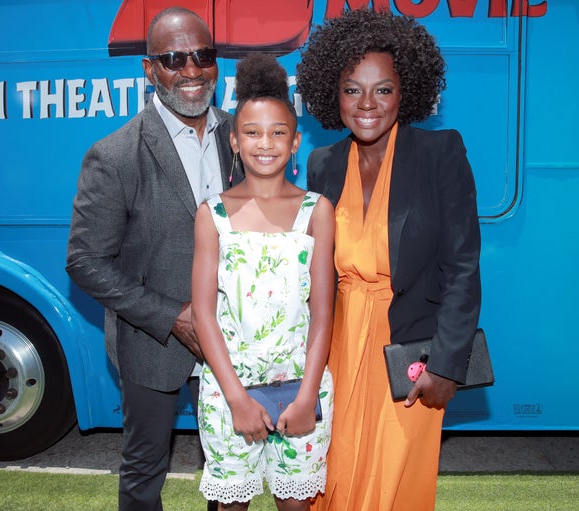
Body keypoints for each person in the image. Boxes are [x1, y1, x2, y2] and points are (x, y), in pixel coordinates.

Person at [296, 9, 481, 511]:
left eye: (384, 89)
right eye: (353, 89)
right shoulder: (322, 164)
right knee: (330, 473)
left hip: (411, 355)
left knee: (394, 482)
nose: (368, 104)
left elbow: (462, 267)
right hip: (336, 349)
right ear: (333, 95)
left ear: (407, 91)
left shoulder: (440, 153)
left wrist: (446, 365)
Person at [65, 7, 243, 511]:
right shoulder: (116, 154)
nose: (191, 70)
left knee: (231, 470)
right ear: (149, 69)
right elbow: (85, 261)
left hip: (237, 334)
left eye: (202, 56)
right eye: (173, 58)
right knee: (145, 471)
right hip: (153, 341)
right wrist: (172, 316)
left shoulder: (243, 137)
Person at [191, 53, 335, 511]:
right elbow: (203, 315)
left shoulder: (319, 211)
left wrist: (308, 393)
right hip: (228, 391)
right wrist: (236, 399)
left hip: (301, 389)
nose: (265, 143)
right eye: (252, 132)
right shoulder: (211, 215)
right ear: (234, 141)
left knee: (296, 504)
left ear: (295, 143)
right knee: (231, 505)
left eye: (278, 133)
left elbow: (323, 313)